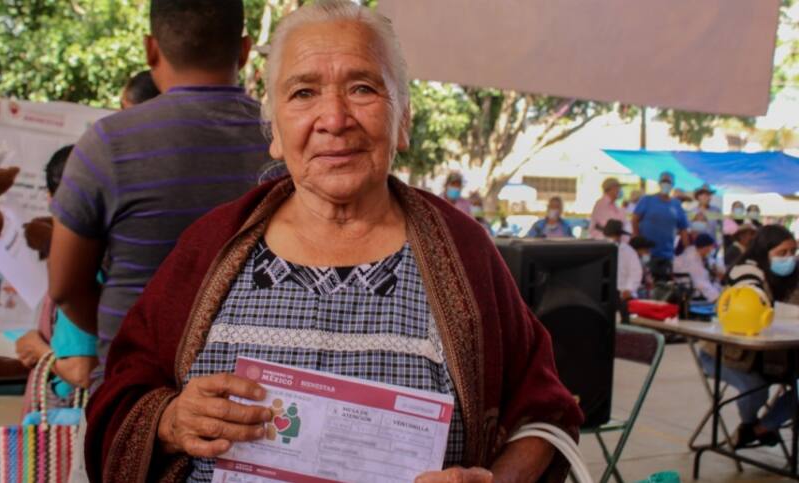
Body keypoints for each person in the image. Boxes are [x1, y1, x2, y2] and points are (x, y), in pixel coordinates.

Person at [85, 2, 582, 482]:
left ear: (402, 119)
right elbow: (122, 390)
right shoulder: (210, 246)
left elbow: (546, 412)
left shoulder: (465, 252)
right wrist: (170, 422)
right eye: (303, 93)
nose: (335, 118)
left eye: (363, 88)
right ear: (275, 131)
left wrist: (498, 479)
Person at [47, 0, 270, 387]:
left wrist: (131, 333)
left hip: (133, 395)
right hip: (251, 399)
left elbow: (65, 287)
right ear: (246, 50)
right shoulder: (284, 140)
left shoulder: (107, 144)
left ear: (151, 49)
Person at [699, 225, 799, 448]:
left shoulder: (793, 276)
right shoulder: (746, 271)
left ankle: (758, 429)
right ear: (764, 251)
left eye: (793, 252)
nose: (789, 258)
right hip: (727, 354)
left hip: (772, 357)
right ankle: (752, 425)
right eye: (782, 253)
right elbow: (753, 302)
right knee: (756, 389)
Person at [14, 145, 99, 400]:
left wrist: (36, 348)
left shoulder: (84, 267)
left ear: (52, 199)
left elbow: (82, 371)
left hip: (69, 416)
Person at [632, 171, 689, 281]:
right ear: (659, 183)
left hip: (667, 253)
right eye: (663, 181)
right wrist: (637, 239)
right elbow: (635, 219)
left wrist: (687, 251)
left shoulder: (676, 204)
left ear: (672, 185)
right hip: (647, 252)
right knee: (646, 281)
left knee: (664, 284)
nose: (665, 184)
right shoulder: (647, 200)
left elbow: (683, 229)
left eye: (668, 182)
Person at [673, 233, 721, 302]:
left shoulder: (695, 253)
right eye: (710, 248)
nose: (710, 251)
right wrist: (717, 298)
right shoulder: (692, 259)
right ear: (705, 248)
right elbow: (701, 283)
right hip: (689, 289)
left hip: (692, 286)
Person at [604, 219, 641, 301]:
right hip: (603, 293)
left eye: (613, 235)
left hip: (622, 293)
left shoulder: (629, 251)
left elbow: (635, 272)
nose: (611, 238)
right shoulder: (599, 249)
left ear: (619, 236)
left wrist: (629, 289)